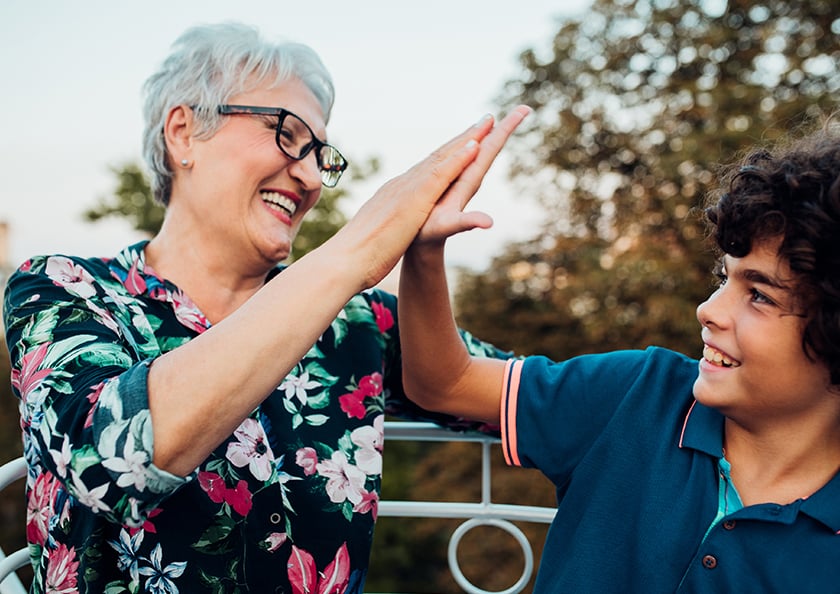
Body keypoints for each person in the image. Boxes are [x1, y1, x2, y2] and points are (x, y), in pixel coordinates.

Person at [2, 22, 530, 593]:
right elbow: (108, 464)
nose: (309, 175)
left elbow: (510, 396)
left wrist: (422, 253)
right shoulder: (63, 290)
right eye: (286, 134)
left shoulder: (359, 322)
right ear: (183, 133)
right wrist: (358, 248)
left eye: (319, 154)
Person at [398, 116, 840, 592]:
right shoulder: (636, 393)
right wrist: (424, 252)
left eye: (760, 295)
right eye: (723, 278)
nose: (708, 310)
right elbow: (444, 382)